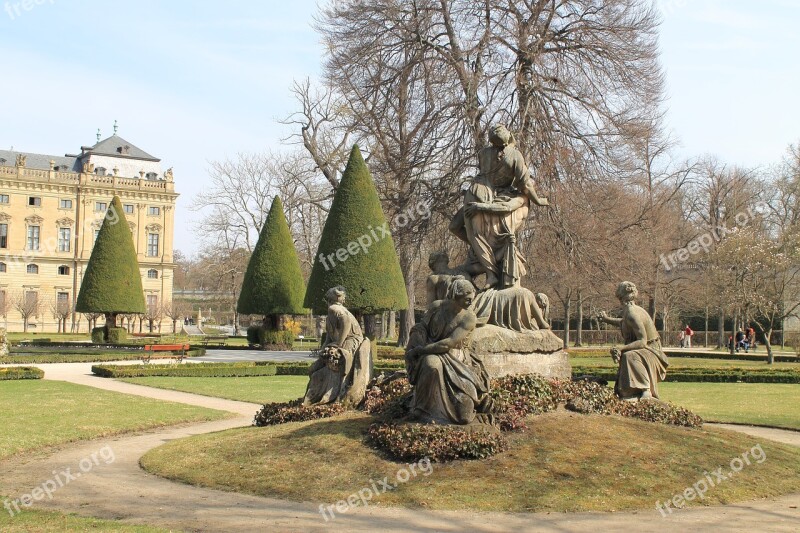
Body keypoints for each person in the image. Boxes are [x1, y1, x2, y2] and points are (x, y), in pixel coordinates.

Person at [449, 124, 549, 289]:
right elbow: (525, 185)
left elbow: (484, 174)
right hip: (491, 198)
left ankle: (486, 261)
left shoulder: (483, 153)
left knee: (455, 227)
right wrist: (538, 200)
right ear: (509, 136)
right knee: (478, 237)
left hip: (474, 192)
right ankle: (490, 270)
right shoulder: (515, 156)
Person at [405, 279, 494, 425]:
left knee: (464, 416)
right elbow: (421, 328)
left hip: (459, 361)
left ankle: (468, 397)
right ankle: (421, 410)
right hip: (432, 354)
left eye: (472, 299)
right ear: (455, 295)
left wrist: (420, 350)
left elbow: (449, 343)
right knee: (431, 364)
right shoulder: (436, 307)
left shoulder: (469, 317)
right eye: (467, 299)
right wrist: (415, 343)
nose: (471, 303)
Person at [598, 282, 669, 401]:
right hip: (647, 348)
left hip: (652, 352)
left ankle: (645, 390)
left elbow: (642, 341)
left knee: (629, 356)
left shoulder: (632, 313)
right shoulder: (630, 311)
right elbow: (624, 322)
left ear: (620, 297)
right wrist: (606, 319)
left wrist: (621, 348)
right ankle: (629, 392)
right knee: (628, 355)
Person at [303, 286, 371, 406]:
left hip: (352, 340)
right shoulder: (332, 313)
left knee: (336, 363)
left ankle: (335, 394)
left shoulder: (334, 308)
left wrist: (339, 344)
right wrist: (323, 350)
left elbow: (346, 322)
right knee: (316, 369)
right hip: (348, 341)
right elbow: (328, 338)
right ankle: (319, 395)